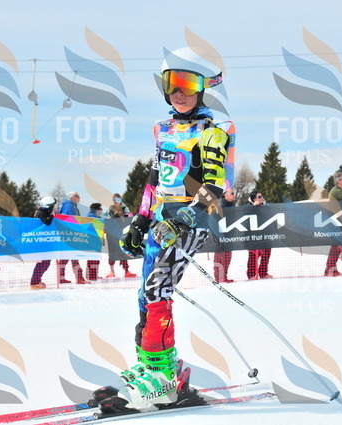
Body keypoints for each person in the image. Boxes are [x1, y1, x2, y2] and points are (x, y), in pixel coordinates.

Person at [105, 47, 234, 412]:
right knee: (146, 293)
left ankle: (163, 382)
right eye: (172, 83)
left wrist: (185, 218)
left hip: (191, 218)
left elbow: (216, 184)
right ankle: (155, 367)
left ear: (203, 87)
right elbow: (155, 178)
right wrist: (140, 219)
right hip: (162, 216)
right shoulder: (163, 129)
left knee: (157, 289)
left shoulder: (214, 131)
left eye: (188, 84)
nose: (179, 92)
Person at [57, 191, 87, 284]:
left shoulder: (69, 206)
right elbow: (67, 220)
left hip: (67, 235)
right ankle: (79, 278)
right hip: (70, 235)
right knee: (73, 256)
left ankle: (61, 277)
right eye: (77, 196)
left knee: (66, 257)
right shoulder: (69, 206)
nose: (79, 198)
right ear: (71, 197)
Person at [105, 194, 136, 279]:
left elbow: (129, 217)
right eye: (115, 199)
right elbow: (105, 217)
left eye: (118, 199)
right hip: (112, 234)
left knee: (123, 251)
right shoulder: (110, 208)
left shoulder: (124, 208)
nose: (117, 201)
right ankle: (112, 271)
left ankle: (126, 271)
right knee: (112, 253)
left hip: (121, 233)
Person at [29, 196, 57, 290]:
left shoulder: (44, 212)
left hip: (45, 241)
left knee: (46, 263)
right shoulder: (41, 213)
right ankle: (34, 282)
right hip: (41, 243)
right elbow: (47, 222)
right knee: (43, 263)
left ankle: (37, 280)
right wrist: (53, 216)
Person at [245, 191, 272, 280]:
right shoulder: (248, 206)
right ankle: (251, 275)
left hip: (265, 234)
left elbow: (271, 211)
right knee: (253, 255)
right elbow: (244, 213)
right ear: (254, 199)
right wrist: (253, 207)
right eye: (259, 197)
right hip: (252, 235)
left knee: (266, 253)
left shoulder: (265, 204)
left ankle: (263, 273)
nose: (261, 198)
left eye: (261, 196)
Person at [213, 188, 236, 282]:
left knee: (226, 257)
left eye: (234, 193)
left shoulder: (232, 205)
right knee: (221, 257)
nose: (234, 195)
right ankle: (220, 278)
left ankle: (222, 277)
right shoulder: (221, 206)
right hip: (221, 236)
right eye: (232, 193)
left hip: (229, 235)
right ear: (224, 195)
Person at [86, 203, 104, 281]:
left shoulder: (98, 218)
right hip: (92, 241)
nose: (101, 211)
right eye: (100, 209)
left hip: (97, 241)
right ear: (96, 210)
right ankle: (92, 276)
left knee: (95, 258)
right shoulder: (91, 219)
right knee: (92, 258)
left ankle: (94, 274)